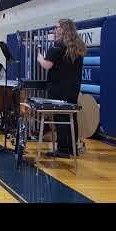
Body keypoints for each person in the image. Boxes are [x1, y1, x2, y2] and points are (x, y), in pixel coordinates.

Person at [37, 18, 86, 158]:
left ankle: (63, 150)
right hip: (73, 89)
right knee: (71, 118)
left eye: (57, 27)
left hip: (58, 88)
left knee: (61, 118)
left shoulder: (57, 46)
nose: (55, 30)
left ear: (64, 29)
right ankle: (72, 148)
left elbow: (47, 65)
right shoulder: (78, 46)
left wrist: (40, 58)